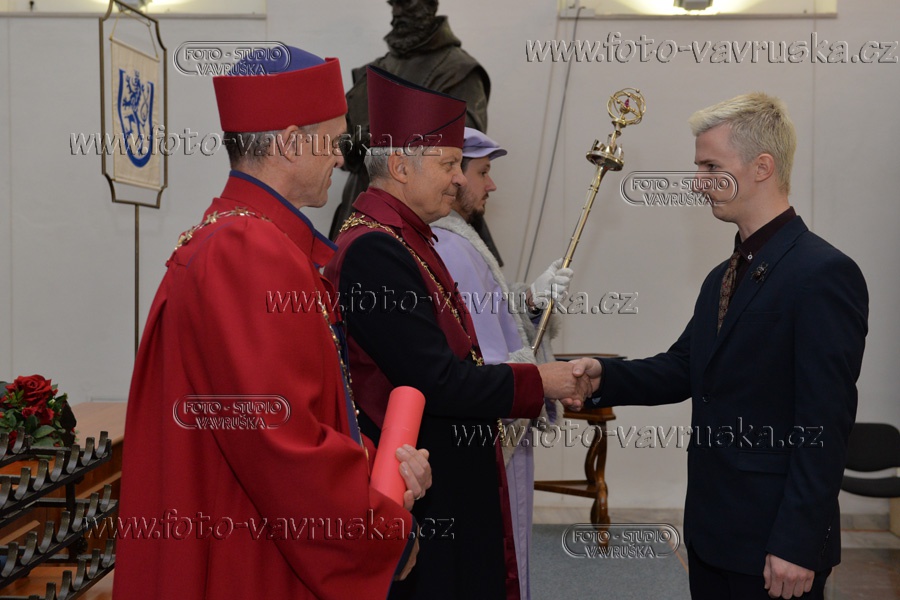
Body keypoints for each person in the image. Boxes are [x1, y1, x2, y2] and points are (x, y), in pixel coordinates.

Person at [114, 47, 432, 600]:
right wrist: (379, 533)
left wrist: (379, 470)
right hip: (257, 553)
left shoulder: (245, 237)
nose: (341, 160)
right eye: (333, 141)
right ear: (289, 142)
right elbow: (281, 442)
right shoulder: (247, 248)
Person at [574, 92, 869, 599]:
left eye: (711, 167)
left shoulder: (822, 273)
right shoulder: (723, 275)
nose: (697, 182)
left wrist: (798, 542)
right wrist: (603, 376)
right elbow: (685, 367)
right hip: (714, 534)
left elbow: (825, 423)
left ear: (762, 167)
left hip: (776, 545)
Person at [324, 67, 593, 600]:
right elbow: (440, 381)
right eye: (448, 164)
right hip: (427, 485)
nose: (458, 178)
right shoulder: (376, 250)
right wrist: (539, 381)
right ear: (400, 167)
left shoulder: (406, 238)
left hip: (445, 472)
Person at [430, 128, 571, 600]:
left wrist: (529, 300)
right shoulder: (450, 243)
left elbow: (489, 315)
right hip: (493, 425)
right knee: (501, 553)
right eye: (483, 172)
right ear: (453, 174)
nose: (491, 185)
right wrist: (538, 380)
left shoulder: (459, 239)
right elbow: (484, 356)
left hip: (493, 418)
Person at [330, 0, 502, 265]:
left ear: (428, 6)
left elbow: (463, 147)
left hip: (430, 218)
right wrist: (363, 143)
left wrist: (381, 140)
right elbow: (341, 146)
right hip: (363, 208)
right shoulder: (375, 69)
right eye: (395, 4)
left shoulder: (458, 69)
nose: (398, 12)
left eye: (408, 4)